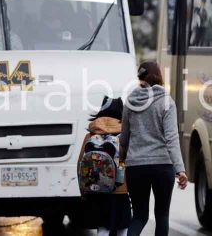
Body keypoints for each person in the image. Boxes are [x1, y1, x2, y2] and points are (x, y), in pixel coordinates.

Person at [120, 61, 188, 236]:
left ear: (140, 78)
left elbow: (124, 138)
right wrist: (180, 169)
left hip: (136, 167)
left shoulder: (130, 102)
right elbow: (171, 138)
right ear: (158, 77)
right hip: (162, 166)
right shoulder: (166, 102)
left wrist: (123, 161)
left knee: (139, 217)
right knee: (162, 215)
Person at [78, 97, 131, 236]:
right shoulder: (123, 136)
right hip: (120, 191)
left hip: (96, 190)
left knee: (102, 228)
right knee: (123, 228)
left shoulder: (90, 135)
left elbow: (80, 165)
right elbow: (125, 162)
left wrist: (84, 190)